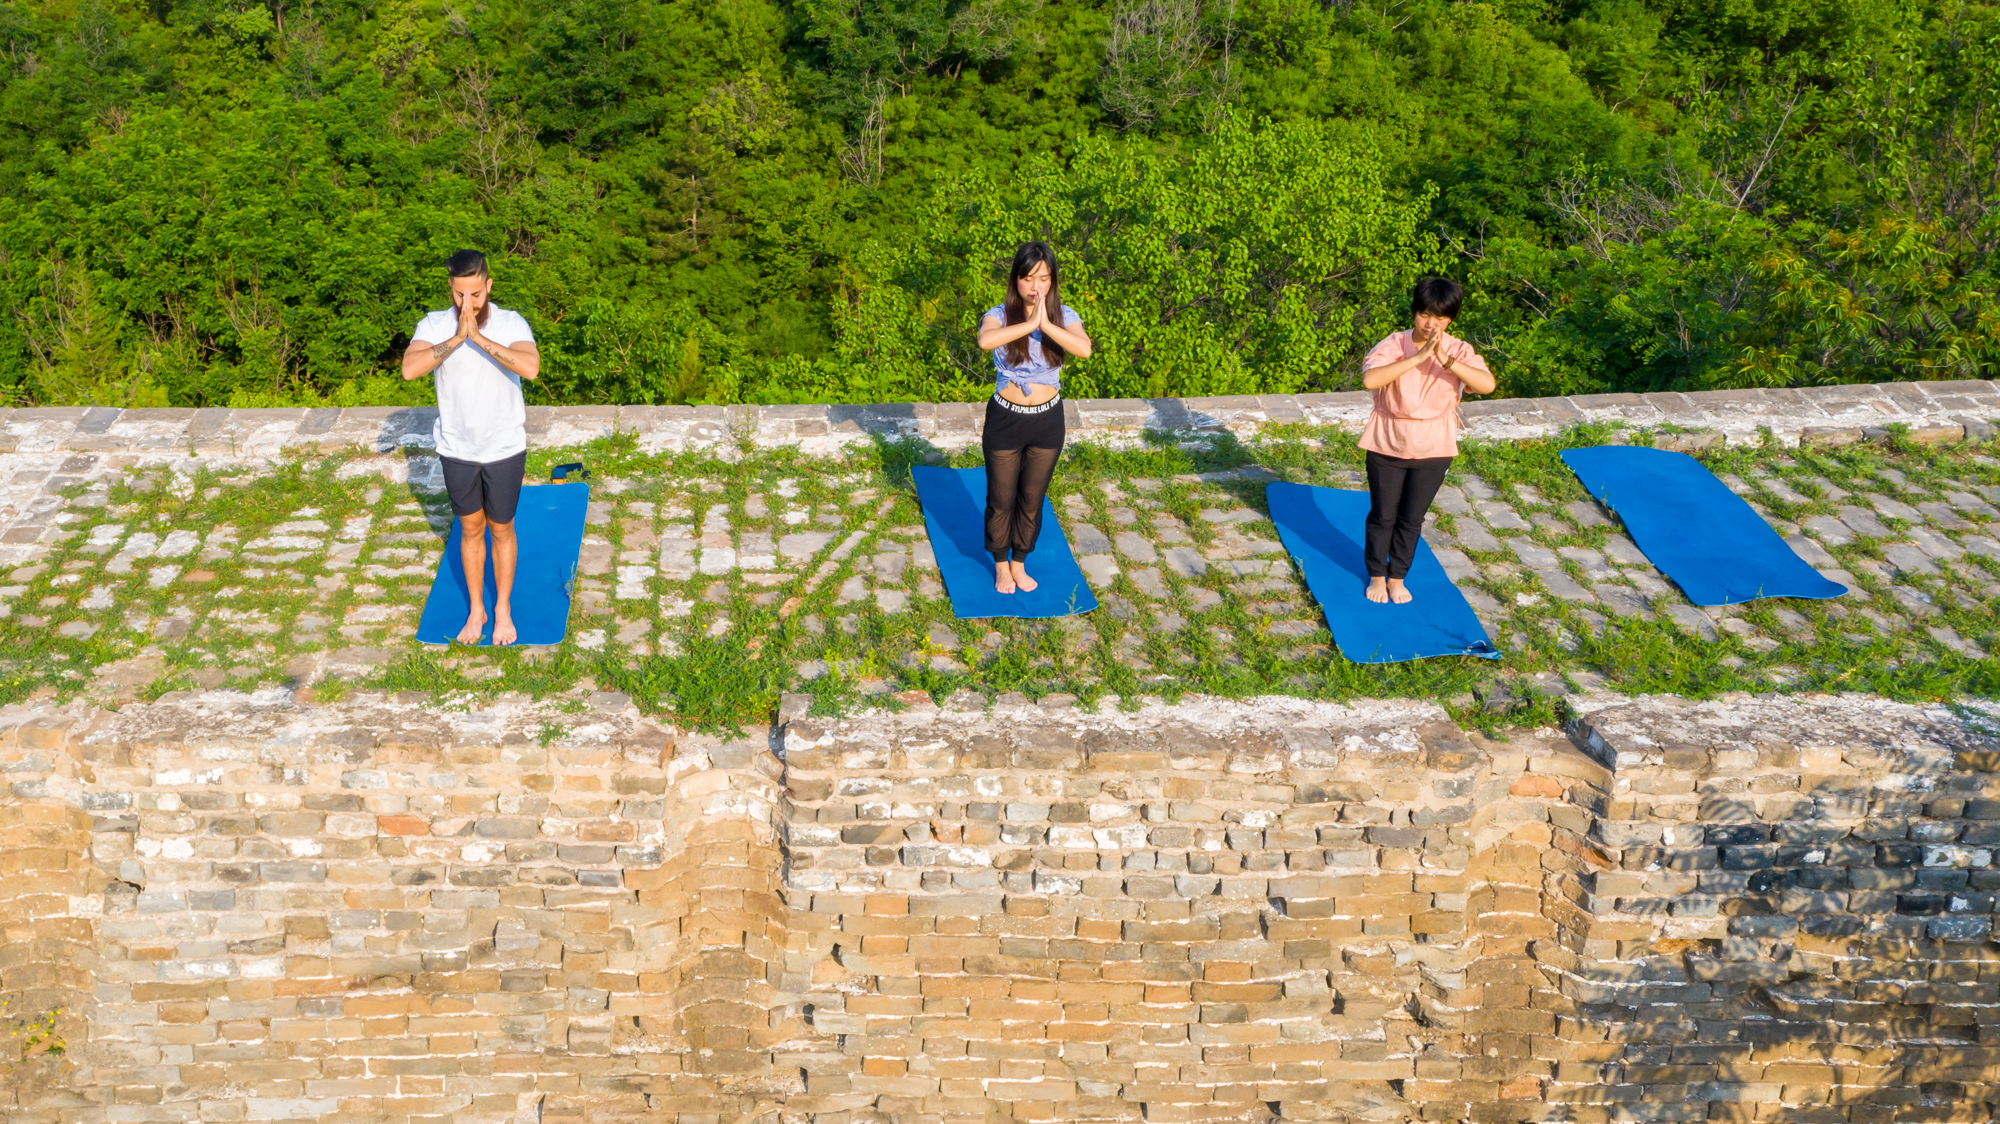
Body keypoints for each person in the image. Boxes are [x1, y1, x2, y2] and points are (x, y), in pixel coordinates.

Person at [399, 249, 542, 644]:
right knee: (470, 528)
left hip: (504, 448)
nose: (468, 304)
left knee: (501, 528)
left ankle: (503, 610)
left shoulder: (511, 323)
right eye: (460, 295)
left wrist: (477, 338)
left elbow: (530, 368)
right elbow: (410, 370)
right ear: (450, 288)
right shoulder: (433, 324)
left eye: (476, 295)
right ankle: (477, 608)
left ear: (488, 286)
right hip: (457, 449)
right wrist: (458, 337)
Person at [1357, 276, 1496, 604]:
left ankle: (1397, 577)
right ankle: (1377, 574)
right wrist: (1419, 358)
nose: (1430, 324)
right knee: (1383, 514)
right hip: (1388, 440)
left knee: (1412, 517)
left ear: (1449, 319)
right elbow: (1370, 379)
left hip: (1435, 445)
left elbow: (1486, 385)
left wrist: (1445, 360)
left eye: (1439, 318)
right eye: (1424, 315)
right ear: (1414, 312)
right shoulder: (1394, 344)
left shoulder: (1459, 350)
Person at [976, 242, 1093, 594]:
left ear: (1052, 280)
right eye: (1028, 278)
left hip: (1047, 421)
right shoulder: (998, 313)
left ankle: (1019, 561)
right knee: (1001, 497)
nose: (1035, 286)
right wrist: (1029, 324)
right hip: (1005, 420)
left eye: (1043, 278)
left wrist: (1045, 323)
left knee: (1032, 496)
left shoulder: (1066, 316)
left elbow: (1083, 348)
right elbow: (986, 341)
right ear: (1016, 281)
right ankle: (1000, 565)